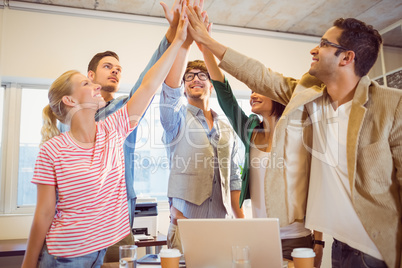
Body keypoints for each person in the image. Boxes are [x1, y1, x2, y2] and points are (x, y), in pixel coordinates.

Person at [187, 7, 401, 268]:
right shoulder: (308, 97)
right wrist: (207, 42)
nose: (313, 50)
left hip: (376, 249)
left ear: (346, 57)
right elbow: (260, 75)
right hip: (341, 247)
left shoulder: (392, 105)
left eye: (323, 44)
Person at [21, 10, 188, 268]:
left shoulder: (114, 128)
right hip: (66, 256)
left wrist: (177, 40)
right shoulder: (53, 149)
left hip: (105, 245)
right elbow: (44, 213)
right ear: (70, 99)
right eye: (88, 83)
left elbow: (149, 84)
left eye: (118, 69)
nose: (99, 83)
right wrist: (27, 264)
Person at [198, 21, 323, 265]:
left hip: (297, 238)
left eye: (259, 89)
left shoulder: (300, 133)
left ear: (278, 95)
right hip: (261, 237)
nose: (253, 94)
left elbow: (318, 186)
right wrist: (206, 49)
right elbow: (226, 97)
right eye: (251, 90)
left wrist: (318, 241)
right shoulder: (250, 132)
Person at [159, 26, 244, 251]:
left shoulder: (227, 128)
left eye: (202, 75)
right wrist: (184, 43)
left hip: (223, 227)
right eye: (189, 77)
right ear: (184, 87)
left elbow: (234, 177)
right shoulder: (174, 120)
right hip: (185, 226)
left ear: (211, 84)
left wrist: (242, 223)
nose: (195, 79)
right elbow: (169, 91)